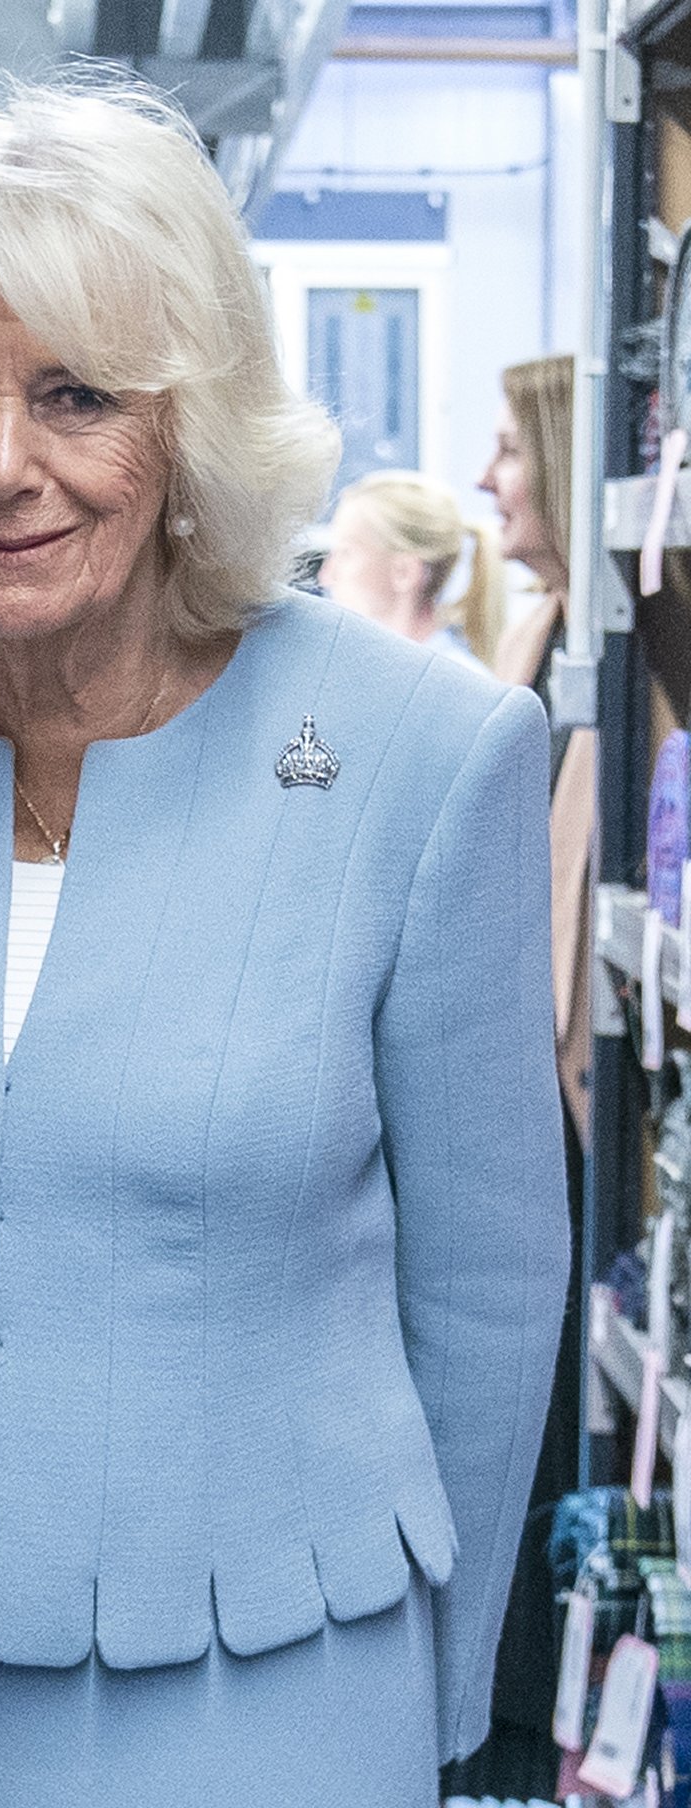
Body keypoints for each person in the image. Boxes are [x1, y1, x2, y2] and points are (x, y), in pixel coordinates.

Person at [0, 79, 569, 1808]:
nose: (3, 463)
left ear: (194, 424)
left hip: (273, 1679)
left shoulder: (421, 755)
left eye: (78, 394)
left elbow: (483, 1285)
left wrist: (441, 1702)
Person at [445, 352, 589, 1802]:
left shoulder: (591, 649)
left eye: (509, 450)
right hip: (524, 1089)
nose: (493, 478)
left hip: (559, 1102)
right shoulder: (546, 632)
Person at [319, 468, 504, 670]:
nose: (325, 577)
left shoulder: (459, 687)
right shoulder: (367, 673)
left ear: (404, 572)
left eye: (345, 553)